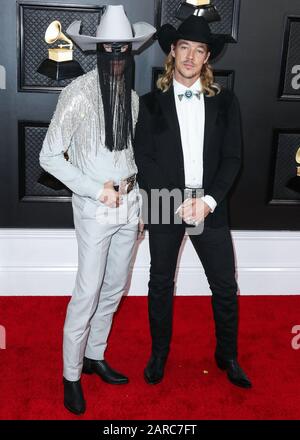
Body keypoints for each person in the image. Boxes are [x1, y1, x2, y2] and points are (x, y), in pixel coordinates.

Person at [39, 5, 155, 415]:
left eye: (125, 50)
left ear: (132, 51)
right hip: (94, 206)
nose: (118, 56)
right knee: (88, 291)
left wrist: (137, 205)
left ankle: (94, 355)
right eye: (110, 49)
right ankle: (71, 374)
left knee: (114, 288)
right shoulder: (78, 94)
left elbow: (129, 157)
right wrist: (94, 189)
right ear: (99, 51)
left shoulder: (135, 98)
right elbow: (48, 156)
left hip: (130, 203)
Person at [134, 15, 252, 389]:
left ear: (206, 58)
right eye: (184, 47)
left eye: (198, 50)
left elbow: (233, 158)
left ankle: (227, 355)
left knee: (225, 285)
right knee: (159, 282)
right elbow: (144, 157)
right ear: (173, 51)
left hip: (209, 205)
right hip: (164, 200)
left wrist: (209, 201)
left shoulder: (226, 102)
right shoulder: (151, 103)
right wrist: (172, 201)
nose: (190, 56)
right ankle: (159, 354)